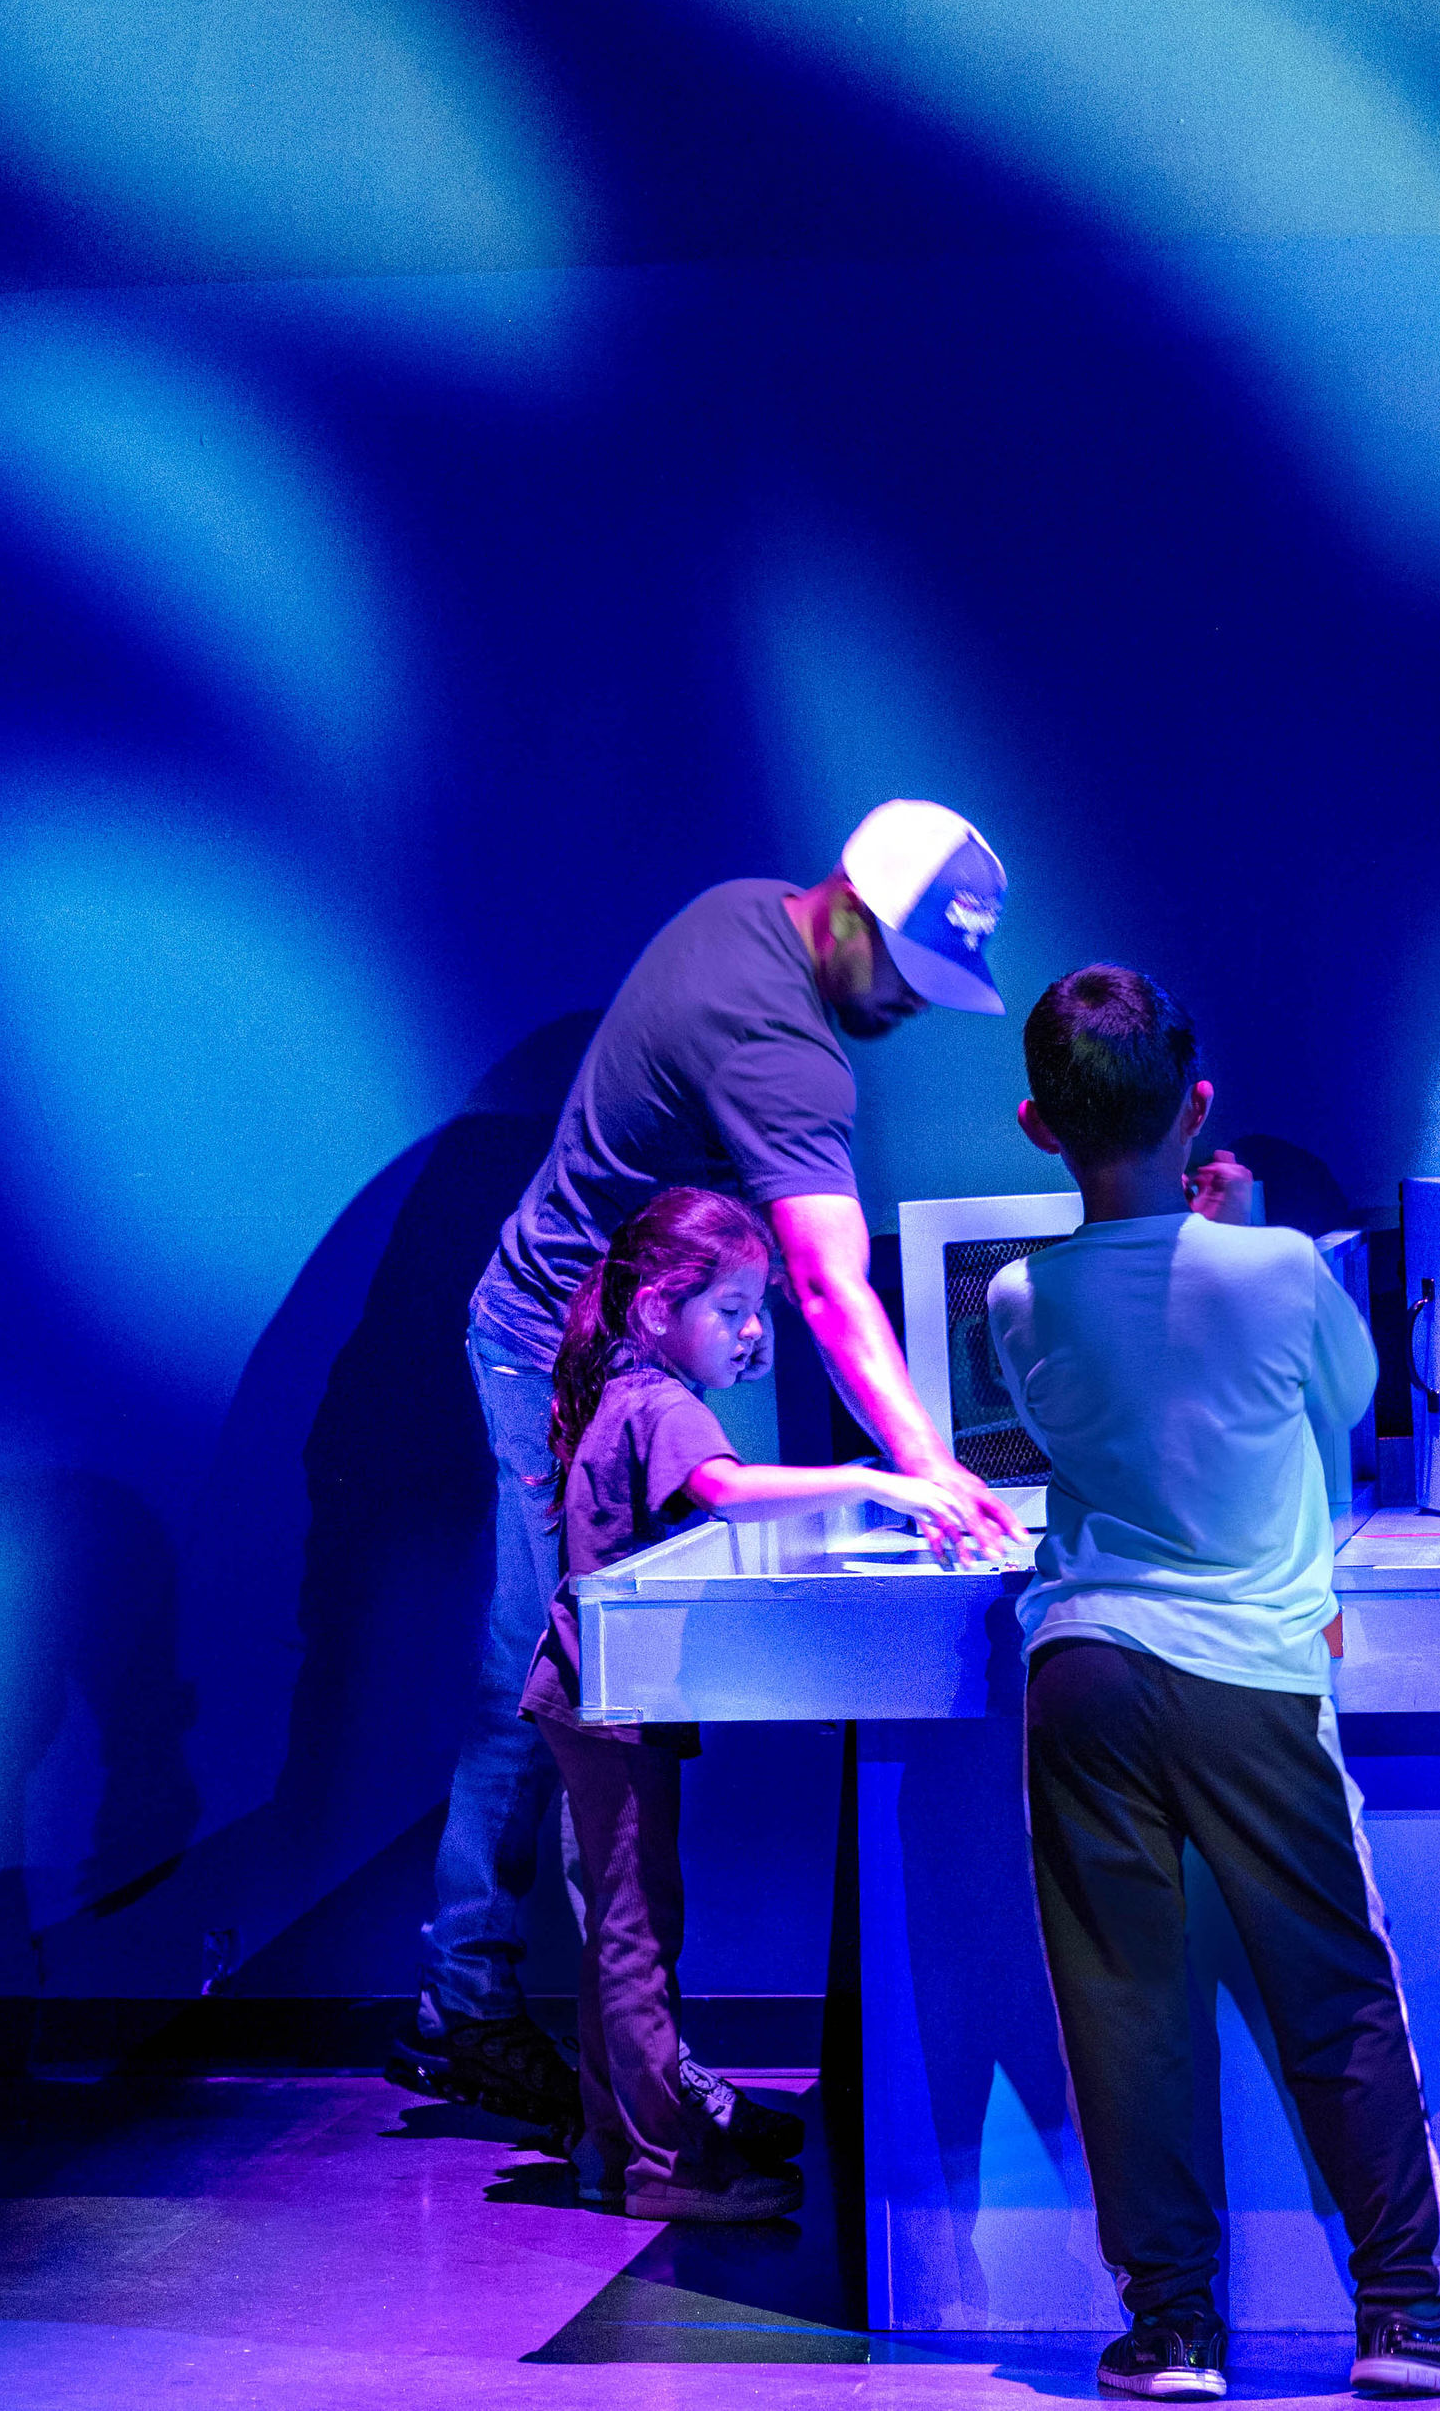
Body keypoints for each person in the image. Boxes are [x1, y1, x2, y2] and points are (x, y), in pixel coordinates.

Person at [397, 800, 1024, 2144]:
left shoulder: (742, 910)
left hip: (611, 1351)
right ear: (849, 912)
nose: (914, 1006)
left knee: (582, 1681)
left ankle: (609, 2056)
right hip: (548, 1349)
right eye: (909, 975)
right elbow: (828, 1285)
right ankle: (480, 2011)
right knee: (551, 1670)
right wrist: (926, 1466)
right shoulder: (779, 1045)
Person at [995, 965, 1440, 2402]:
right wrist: (1242, 1232)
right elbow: (1345, 1397)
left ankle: (1172, 2331)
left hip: (1081, 1671)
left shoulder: (1014, 1298)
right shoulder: (1281, 1271)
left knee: (1121, 2008)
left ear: (1037, 1125)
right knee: (1336, 1996)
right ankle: (1408, 2311)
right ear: (1196, 1108)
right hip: (1248, 1675)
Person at [524, 1186, 966, 2219]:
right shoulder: (660, 1404)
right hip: (610, 1702)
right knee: (638, 1934)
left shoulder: (627, 1388)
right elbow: (725, 1492)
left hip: (596, 1697)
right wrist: (884, 1480)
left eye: (757, 1308)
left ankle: (614, 2148)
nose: (753, 1330)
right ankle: (663, 2169)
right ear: (655, 1310)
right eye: (730, 1309)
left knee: (620, 1928)